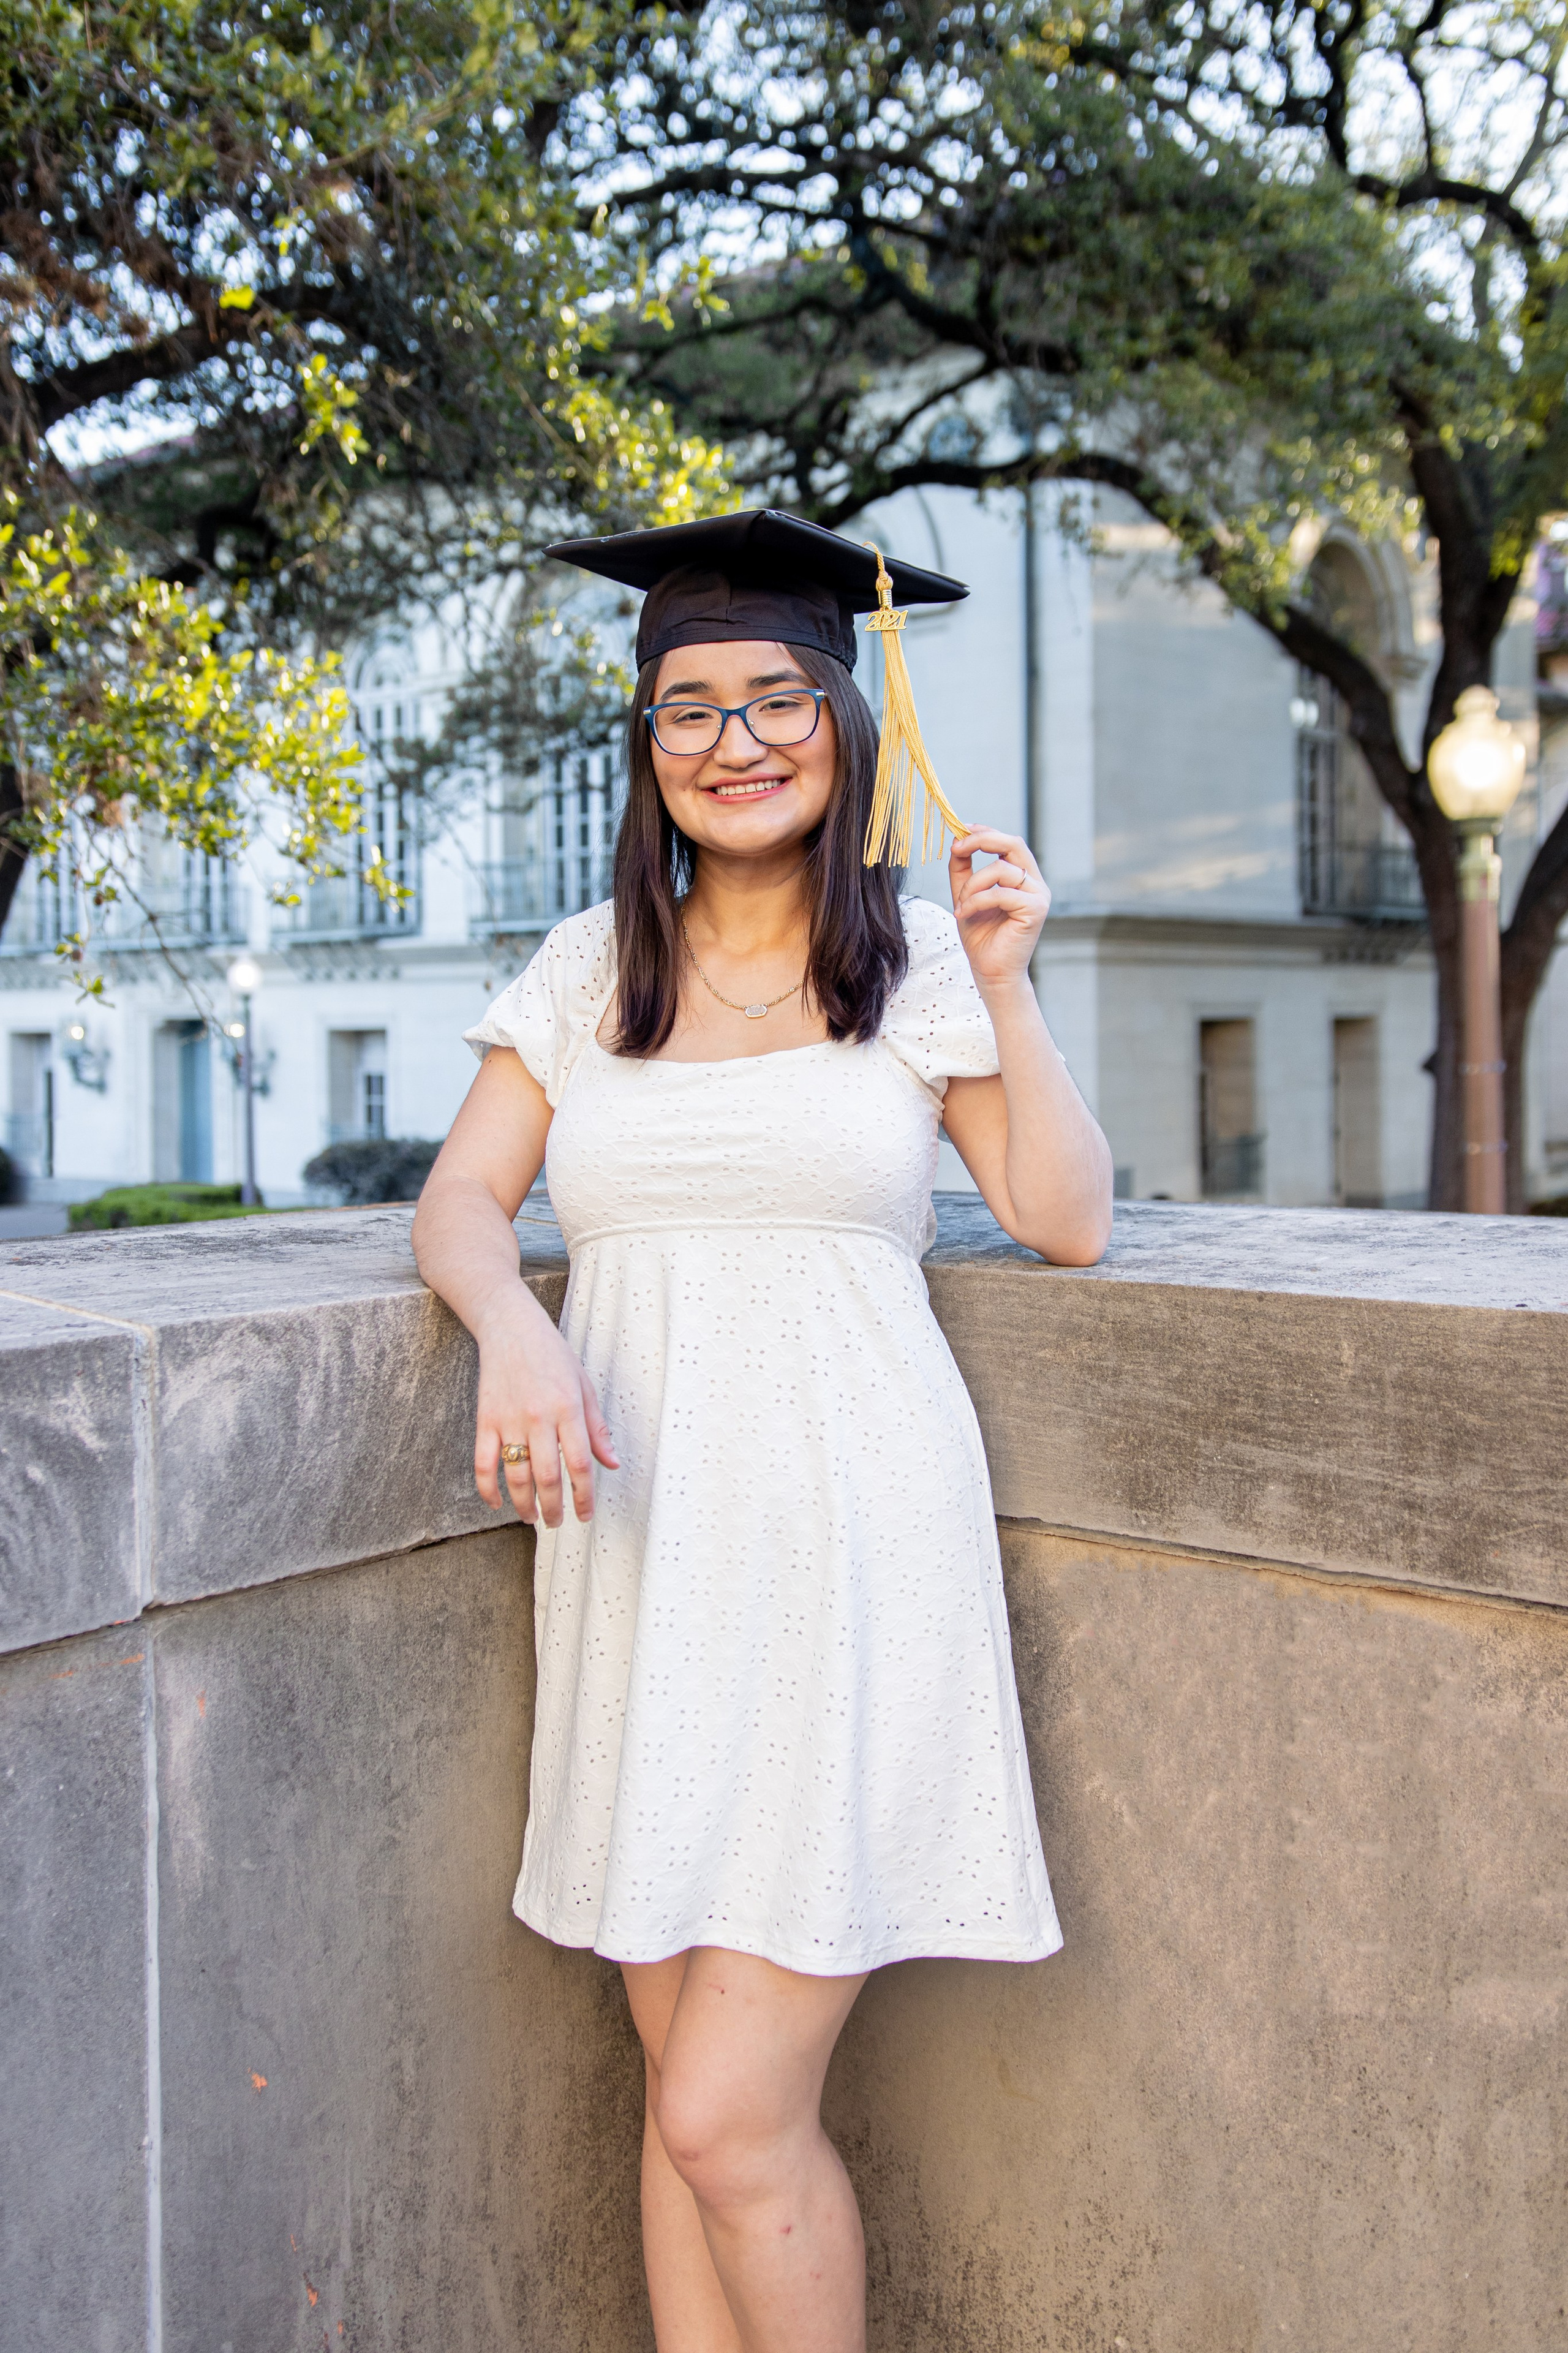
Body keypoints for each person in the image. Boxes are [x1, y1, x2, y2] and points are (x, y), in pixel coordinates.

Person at [412, 508, 1113, 2352]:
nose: (737, 740)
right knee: (682, 2100)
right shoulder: (586, 969)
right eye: (692, 707)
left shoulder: (912, 963)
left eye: (778, 697)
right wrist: (515, 1332)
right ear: (649, 748)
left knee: (732, 2112)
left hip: (849, 1552)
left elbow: (1065, 1213)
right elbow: (463, 1203)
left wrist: (1014, 982)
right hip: (640, 1557)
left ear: (842, 722)